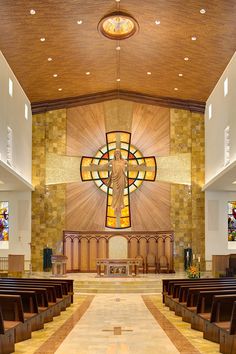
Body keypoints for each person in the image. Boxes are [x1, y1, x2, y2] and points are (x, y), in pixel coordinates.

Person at [107, 149, 127, 215]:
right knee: (115, 193)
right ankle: (115, 207)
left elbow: (132, 165)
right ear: (114, 154)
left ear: (120, 153)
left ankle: (119, 207)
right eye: (116, 152)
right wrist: (95, 166)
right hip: (115, 179)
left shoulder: (124, 161)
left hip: (121, 178)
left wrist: (140, 166)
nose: (117, 153)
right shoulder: (112, 161)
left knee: (121, 193)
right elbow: (104, 165)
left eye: (118, 152)